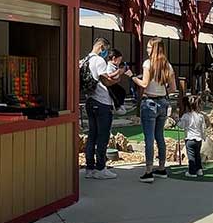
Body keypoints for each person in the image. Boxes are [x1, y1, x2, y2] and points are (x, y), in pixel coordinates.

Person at [133, 38, 177, 182]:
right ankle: (162, 168)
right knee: (160, 136)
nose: (147, 50)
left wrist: (132, 77)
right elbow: (173, 88)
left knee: (149, 138)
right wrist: (162, 92)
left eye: (149, 47)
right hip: (163, 102)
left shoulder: (148, 63)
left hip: (149, 102)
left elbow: (144, 83)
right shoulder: (168, 65)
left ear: (155, 49)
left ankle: (148, 171)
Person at [84, 46, 130, 180]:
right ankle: (100, 168)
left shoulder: (86, 60)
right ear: (101, 47)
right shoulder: (100, 61)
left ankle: (89, 168)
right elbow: (107, 81)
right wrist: (120, 74)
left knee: (92, 136)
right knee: (103, 137)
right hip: (102, 103)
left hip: (90, 101)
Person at [178, 94, 205, 178]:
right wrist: (203, 137)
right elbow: (203, 128)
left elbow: (181, 126)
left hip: (189, 139)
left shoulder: (186, 116)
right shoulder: (201, 116)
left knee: (191, 156)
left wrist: (177, 120)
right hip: (198, 139)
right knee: (197, 155)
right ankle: (199, 170)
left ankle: (192, 172)